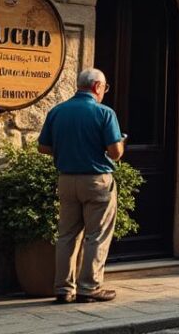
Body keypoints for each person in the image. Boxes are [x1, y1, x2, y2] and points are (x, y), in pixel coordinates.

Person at [37, 68, 125, 304]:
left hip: (66, 180)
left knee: (66, 235)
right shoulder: (104, 112)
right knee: (97, 235)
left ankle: (63, 289)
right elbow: (115, 153)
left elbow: (42, 147)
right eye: (104, 88)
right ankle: (89, 287)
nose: (104, 92)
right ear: (97, 86)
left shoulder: (57, 111)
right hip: (96, 181)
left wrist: (68, 149)